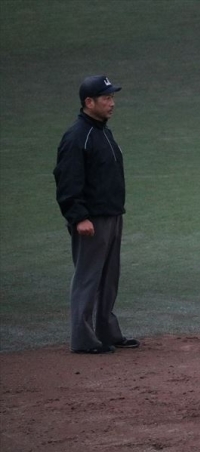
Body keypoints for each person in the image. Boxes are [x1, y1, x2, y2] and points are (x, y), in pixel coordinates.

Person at [53, 75, 140, 354]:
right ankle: (83, 339)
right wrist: (78, 216)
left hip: (111, 215)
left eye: (112, 97)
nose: (112, 103)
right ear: (89, 102)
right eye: (106, 98)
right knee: (88, 278)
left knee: (108, 279)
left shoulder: (102, 131)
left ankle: (107, 333)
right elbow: (67, 180)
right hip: (92, 219)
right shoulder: (78, 136)